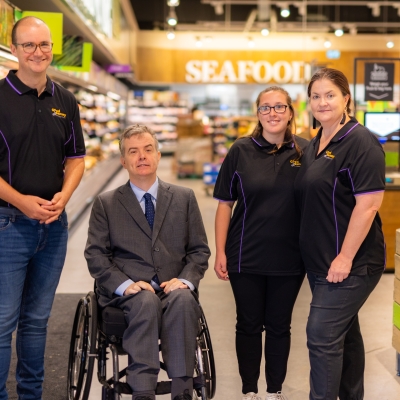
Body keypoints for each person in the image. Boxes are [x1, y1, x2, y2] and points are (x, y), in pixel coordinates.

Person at [85, 124, 210, 400]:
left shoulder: (184, 198)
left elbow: (199, 250)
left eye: (147, 149)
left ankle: (182, 389)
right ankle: (142, 391)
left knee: (184, 299)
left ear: (158, 154)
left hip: (171, 286)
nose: (141, 156)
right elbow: (95, 255)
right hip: (127, 295)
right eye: (133, 151)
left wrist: (186, 279)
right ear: (123, 160)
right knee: (144, 301)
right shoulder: (106, 203)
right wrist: (125, 285)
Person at [0, 17, 86, 400]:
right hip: (7, 224)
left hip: (54, 226)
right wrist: (21, 201)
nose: (38, 53)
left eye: (45, 45)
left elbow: (76, 159)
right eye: (29, 45)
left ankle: (30, 395)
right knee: (3, 322)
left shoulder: (65, 100)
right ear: (15, 49)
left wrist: (63, 198)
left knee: (36, 321)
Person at [294, 68, 386, 400]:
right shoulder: (315, 141)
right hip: (320, 263)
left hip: (352, 263)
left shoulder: (361, 142)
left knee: (321, 335)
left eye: (330, 95)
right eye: (315, 96)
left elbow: (369, 205)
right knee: (345, 335)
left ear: (346, 98)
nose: (322, 102)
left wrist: (345, 257)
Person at [213, 87, 308, 400]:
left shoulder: (306, 151)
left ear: (291, 112)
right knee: (249, 324)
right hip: (245, 256)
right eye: (266, 108)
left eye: (280, 106)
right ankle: (249, 391)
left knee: (280, 326)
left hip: (290, 258)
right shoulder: (240, 150)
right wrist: (221, 252)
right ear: (258, 114)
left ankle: (274, 391)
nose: (273, 113)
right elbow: (225, 204)